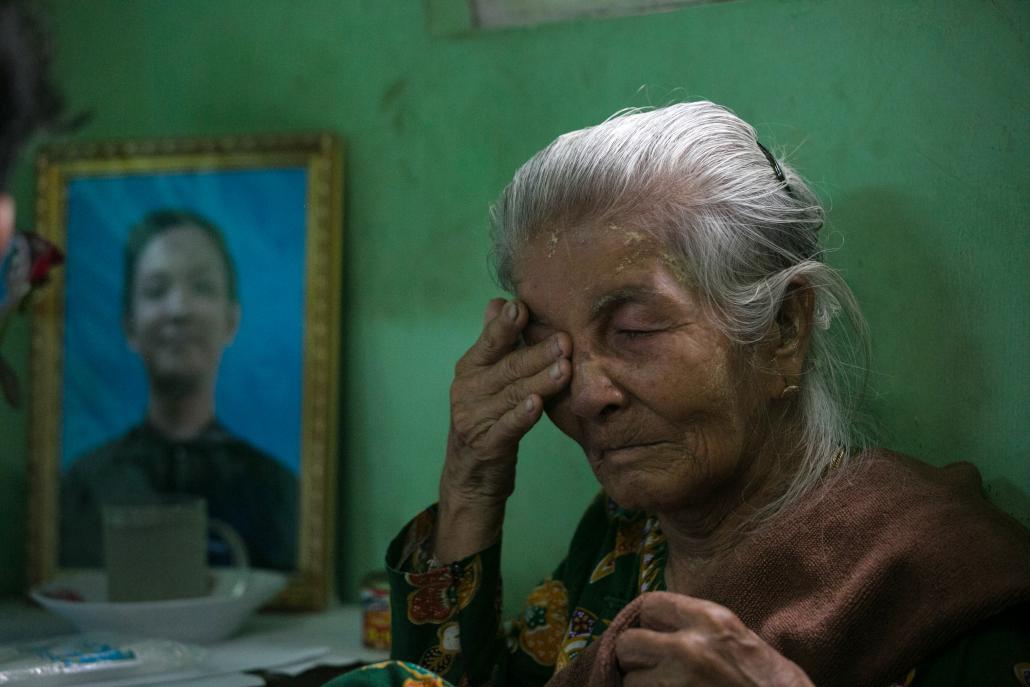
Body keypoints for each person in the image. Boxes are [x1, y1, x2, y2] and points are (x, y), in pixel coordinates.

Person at [332, 103, 1029, 687]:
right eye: (552, 347)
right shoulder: (620, 541)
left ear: (784, 330)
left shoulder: (943, 584)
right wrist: (472, 482)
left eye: (634, 329)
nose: (586, 394)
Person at [60, 209, 298, 571]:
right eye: (156, 290)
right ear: (129, 326)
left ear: (231, 321)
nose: (179, 309)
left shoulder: (277, 491)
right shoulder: (84, 486)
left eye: (201, 287)